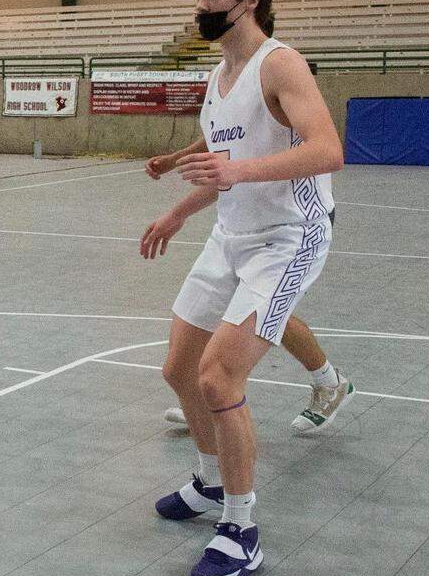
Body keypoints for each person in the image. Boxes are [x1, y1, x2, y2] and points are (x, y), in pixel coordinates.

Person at [139, 0, 344, 576]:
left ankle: (241, 528)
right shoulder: (219, 75)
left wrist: (235, 170)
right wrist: (178, 207)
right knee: (179, 369)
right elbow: (227, 150)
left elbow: (329, 150)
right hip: (230, 235)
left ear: (248, 1)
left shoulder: (280, 63)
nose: (200, 7)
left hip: (289, 237)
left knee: (217, 374)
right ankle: (208, 479)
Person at [146, 144, 353, 435]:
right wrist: (173, 158)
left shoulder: (282, 104)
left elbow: (326, 152)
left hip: (290, 225)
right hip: (244, 225)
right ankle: (208, 401)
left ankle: (329, 382)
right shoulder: (223, 100)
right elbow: (224, 134)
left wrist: (224, 176)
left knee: (261, 312)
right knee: (251, 311)